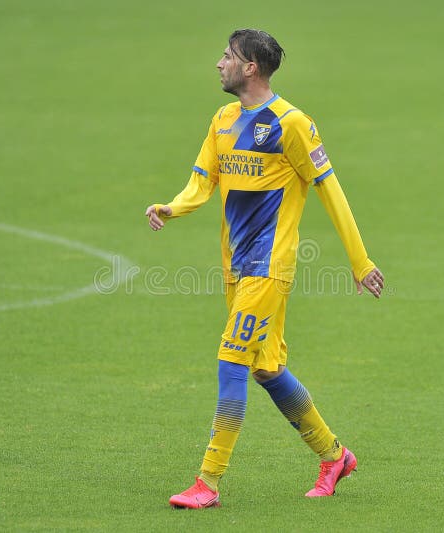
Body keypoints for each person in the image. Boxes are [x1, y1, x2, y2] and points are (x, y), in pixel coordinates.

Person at [145, 29, 384, 509]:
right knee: (267, 368)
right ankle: (334, 457)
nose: (219, 64)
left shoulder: (292, 124)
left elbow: (330, 190)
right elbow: (202, 180)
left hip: (269, 267)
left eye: (228, 57)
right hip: (234, 266)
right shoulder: (223, 119)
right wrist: (172, 207)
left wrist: (360, 262)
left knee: (232, 360)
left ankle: (207, 483)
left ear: (250, 67)